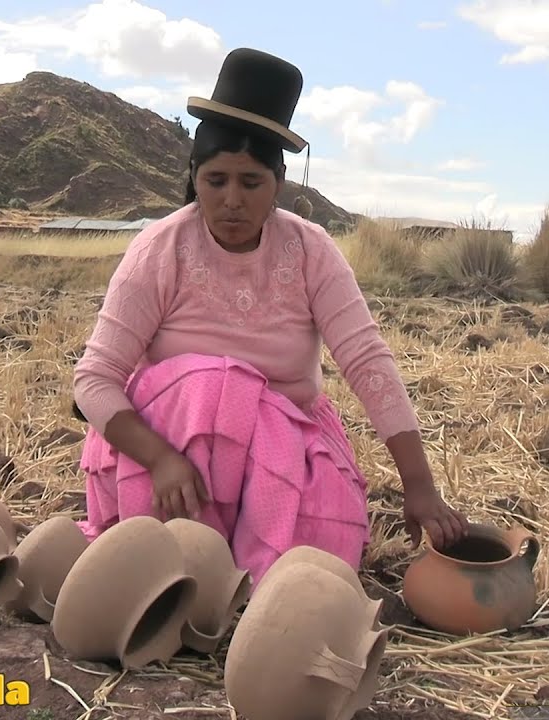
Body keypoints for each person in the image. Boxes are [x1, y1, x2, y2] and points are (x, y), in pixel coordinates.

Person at [71, 48, 468, 590]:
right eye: (216, 181)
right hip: (173, 453)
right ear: (194, 177)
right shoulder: (160, 248)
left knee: (312, 565)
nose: (232, 200)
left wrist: (418, 484)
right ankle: (183, 579)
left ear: (279, 182)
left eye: (251, 183)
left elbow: (367, 362)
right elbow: (94, 380)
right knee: (216, 382)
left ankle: (257, 587)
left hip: (280, 456)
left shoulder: (311, 251)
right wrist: (159, 459)